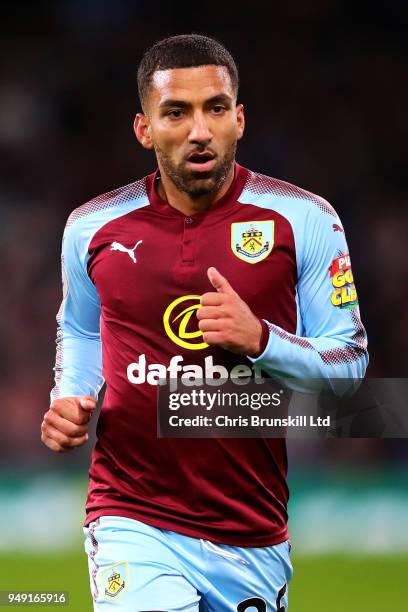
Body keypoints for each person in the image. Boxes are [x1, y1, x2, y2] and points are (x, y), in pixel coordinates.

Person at [41, 34, 368, 612]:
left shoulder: (305, 220)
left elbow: (350, 369)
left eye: (215, 109)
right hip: (131, 515)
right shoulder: (92, 227)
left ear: (238, 120)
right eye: (176, 112)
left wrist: (261, 340)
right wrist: (71, 397)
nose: (199, 130)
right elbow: (83, 329)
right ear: (144, 128)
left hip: (251, 528)